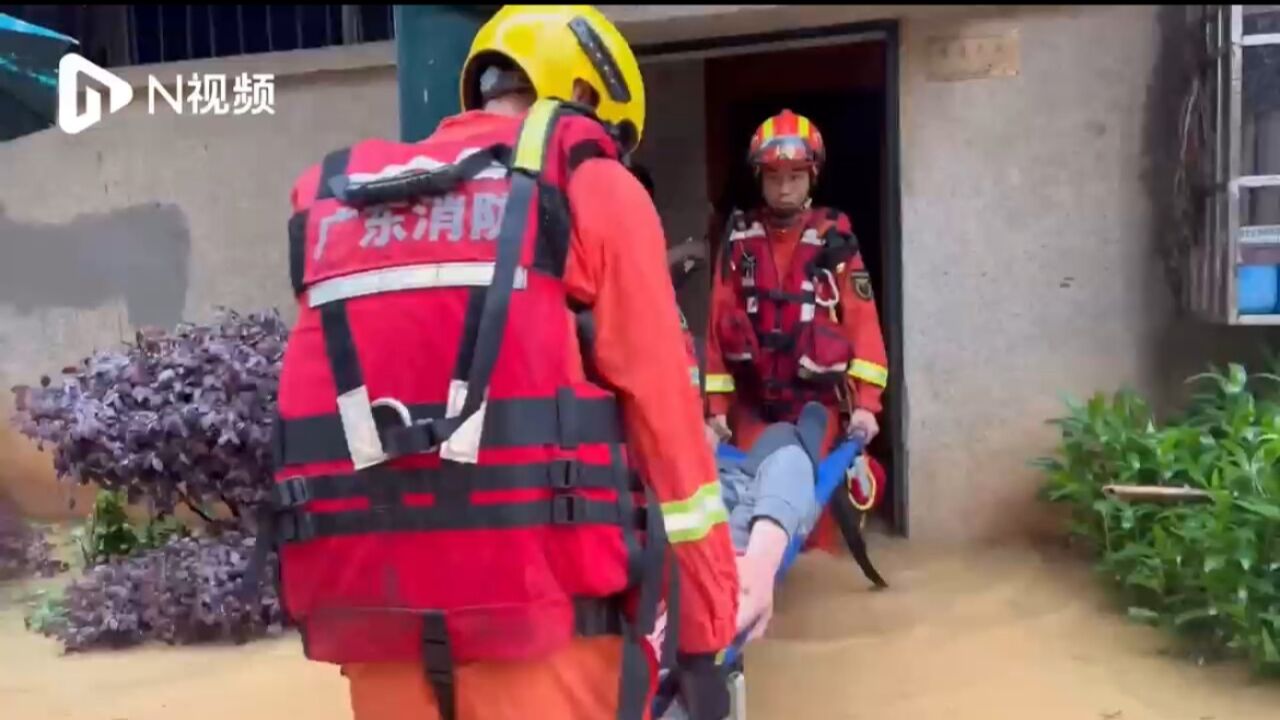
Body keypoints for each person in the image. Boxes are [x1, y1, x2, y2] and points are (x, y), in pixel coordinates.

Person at [271, 6, 738, 720]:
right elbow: (672, 443)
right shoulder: (594, 188)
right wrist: (705, 638)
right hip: (547, 641)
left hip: (379, 637)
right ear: (587, 98)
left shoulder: (350, 207)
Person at [703, 108, 889, 534]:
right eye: (773, 176)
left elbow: (863, 323)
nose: (783, 188)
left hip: (815, 408)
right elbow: (718, 331)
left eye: (794, 176)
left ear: (812, 177)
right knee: (742, 501)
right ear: (760, 179)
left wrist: (866, 406)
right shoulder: (738, 241)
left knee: (810, 520)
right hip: (754, 408)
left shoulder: (833, 241)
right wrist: (716, 413)